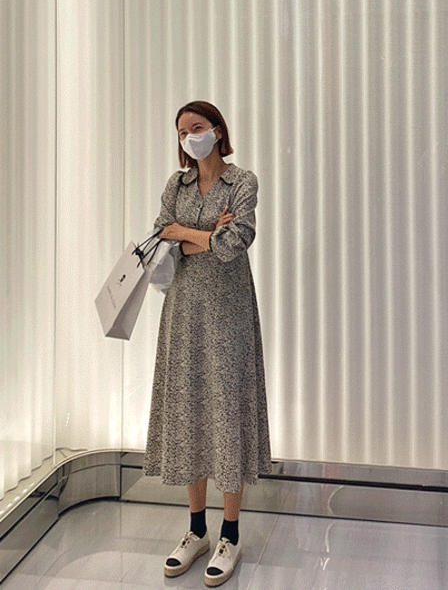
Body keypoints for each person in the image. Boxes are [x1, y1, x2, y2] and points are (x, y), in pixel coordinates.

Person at [143, 101, 271, 587]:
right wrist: (203, 233)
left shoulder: (242, 182)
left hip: (228, 313)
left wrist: (188, 234)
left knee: (227, 410)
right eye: (181, 132)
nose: (188, 137)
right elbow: (162, 238)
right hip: (183, 312)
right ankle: (196, 530)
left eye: (196, 128)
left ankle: (230, 534)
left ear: (217, 131)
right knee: (190, 411)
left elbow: (235, 241)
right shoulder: (175, 186)